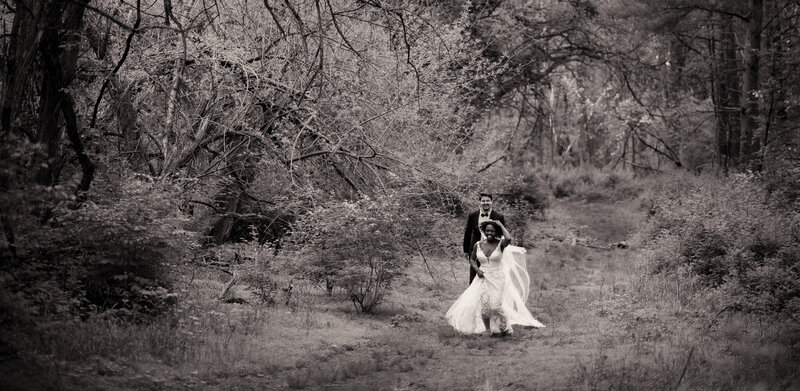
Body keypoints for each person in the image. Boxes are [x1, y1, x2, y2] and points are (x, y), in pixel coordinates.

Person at [446, 220, 544, 336]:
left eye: (492, 231)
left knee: (495, 306)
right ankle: (487, 330)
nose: (489, 233)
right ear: (484, 231)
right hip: (482, 277)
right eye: (487, 230)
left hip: (497, 278)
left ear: (496, 232)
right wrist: (477, 270)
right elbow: (472, 259)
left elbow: (508, 238)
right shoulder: (478, 244)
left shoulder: (500, 244)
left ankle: (505, 323)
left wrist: (500, 225)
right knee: (485, 305)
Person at [463, 193, 506, 285]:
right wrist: (466, 250)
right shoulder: (473, 215)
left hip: (493, 250)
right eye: (483, 201)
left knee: (493, 278)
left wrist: (502, 250)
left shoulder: (499, 217)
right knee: (474, 276)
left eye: (488, 201)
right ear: (479, 202)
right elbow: (468, 232)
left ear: (491, 202)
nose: (485, 203)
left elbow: (502, 235)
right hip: (477, 249)